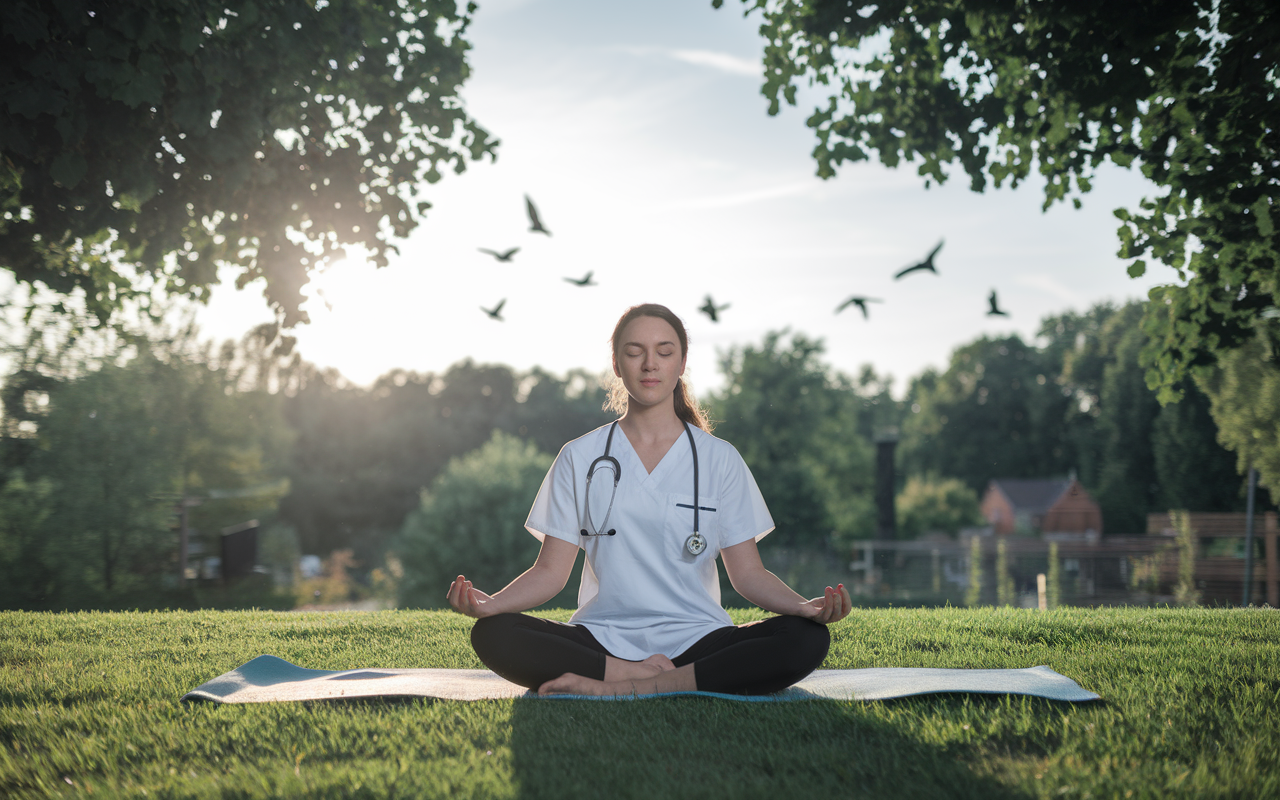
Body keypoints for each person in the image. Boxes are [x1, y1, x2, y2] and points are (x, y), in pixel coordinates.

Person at [446, 303, 851, 696]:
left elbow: (748, 575)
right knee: (495, 634)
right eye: (634, 352)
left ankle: (629, 685)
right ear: (617, 364)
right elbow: (551, 573)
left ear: (681, 362)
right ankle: (632, 675)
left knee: (804, 638)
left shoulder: (718, 458)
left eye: (664, 351)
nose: (649, 364)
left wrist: (801, 608)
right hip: (602, 638)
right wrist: (493, 604)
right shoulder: (579, 456)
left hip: (699, 637)